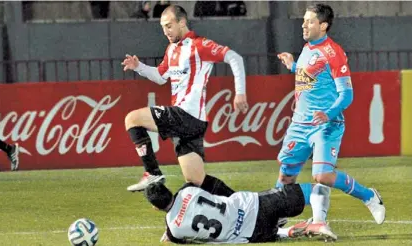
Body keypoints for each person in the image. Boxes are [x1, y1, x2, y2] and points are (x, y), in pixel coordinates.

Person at [276, 3, 385, 237]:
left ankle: (369, 196)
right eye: (304, 20)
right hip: (299, 124)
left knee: (323, 175)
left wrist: (328, 114)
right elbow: (310, 76)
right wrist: (292, 65)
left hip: (326, 124)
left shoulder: (333, 53)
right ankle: (282, 217)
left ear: (323, 26)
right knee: (285, 176)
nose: (304, 25)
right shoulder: (307, 48)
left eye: (310, 21)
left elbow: (347, 94)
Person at [121, 5, 248, 193]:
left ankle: (152, 172)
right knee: (196, 180)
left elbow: (235, 58)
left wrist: (240, 92)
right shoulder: (172, 49)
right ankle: (248, 207)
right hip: (192, 121)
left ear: (182, 22)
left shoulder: (199, 45)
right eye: (163, 27)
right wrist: (138, 66)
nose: (165, 32)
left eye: (169, 26)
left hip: (186, 113)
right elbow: (160, 76)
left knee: (132, 119)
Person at [144, 182, 325, 244]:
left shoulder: (174, 229)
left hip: (252, 235)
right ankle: (319, 221)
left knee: (264, 233)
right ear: (168, 190)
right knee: (317, 189)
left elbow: (183, 240)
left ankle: (284, 232)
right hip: (255, 206)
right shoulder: (188, 191)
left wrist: (169, 229)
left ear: (155, 207)